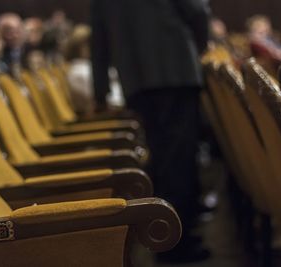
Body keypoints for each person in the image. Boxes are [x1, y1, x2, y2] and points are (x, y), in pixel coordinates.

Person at [91, 0, 210, 263]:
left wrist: (101, 91)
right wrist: (198, 48)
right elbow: (197, 10)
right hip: (177, 69)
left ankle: (168, 236)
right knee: (179, 161)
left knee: (161, 159)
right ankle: (177, 243)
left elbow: (98, 37)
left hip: (136, 79)